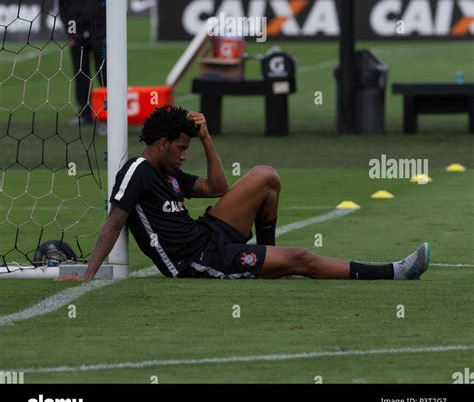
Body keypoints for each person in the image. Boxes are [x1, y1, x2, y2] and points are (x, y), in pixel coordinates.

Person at [58, 106, 430, 282]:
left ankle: (269, 262)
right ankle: (395, 272)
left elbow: (218, 188)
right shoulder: (138, 172)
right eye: (181, 148)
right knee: (302, 257)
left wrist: (206, 138)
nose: (184, 155)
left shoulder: (167, 171)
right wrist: (90, 273)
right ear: (161, 143)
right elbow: (115, 219)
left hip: (207, 236)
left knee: (265, 177)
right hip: (196, 262)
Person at [55, 0, 106, 127]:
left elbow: (112, 6)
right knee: (81, 75)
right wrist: (70, 33)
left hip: (99, 36)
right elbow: (61, 7)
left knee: (105, 75)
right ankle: (85, 115)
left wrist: (105, 32)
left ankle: (107, 114)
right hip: (77, 38)